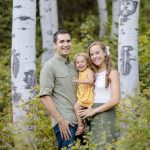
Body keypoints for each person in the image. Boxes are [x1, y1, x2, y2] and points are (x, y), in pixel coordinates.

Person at [39, 30, 79, 150]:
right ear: (55, 45)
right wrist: (60, 121)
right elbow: (45, 97)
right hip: (65, 123)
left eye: (68, 41)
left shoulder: (74, 65)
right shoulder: (49, 66)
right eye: (62, 41)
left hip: (79, 122)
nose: (66, 44)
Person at [79, 41, 120, 149]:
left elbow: (115, 99)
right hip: (92, 115)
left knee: (106, 145)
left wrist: (94, 110)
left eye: (97, 53)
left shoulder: (112, 72)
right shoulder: (94, 74)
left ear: (105, 53)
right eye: (92, 54)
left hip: (106, 114)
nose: (94, 56)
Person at [73, 52, 94, 136]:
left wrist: (80, 81)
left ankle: (85, 126)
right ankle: (80, 124)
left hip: (88, 96)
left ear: (87, 63)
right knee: (76, 107)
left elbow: (91, 81)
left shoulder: (88, 71)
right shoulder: (79, 73)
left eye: (82, 62)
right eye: (77, 62)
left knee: (89, 114)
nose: (80, 64)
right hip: (81, 97)